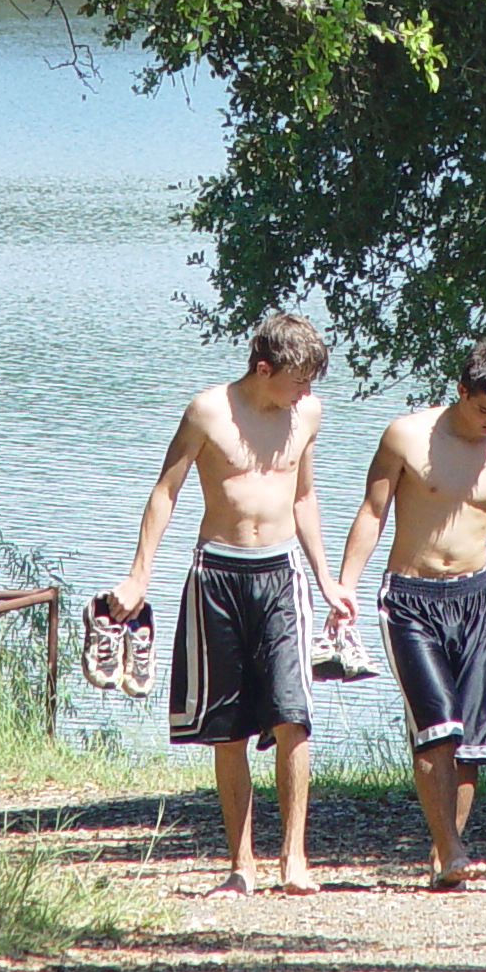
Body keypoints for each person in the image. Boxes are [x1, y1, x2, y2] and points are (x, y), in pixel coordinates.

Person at [106, 311, 355, 895]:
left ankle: (294, 860)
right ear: (263, 368)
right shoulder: (208, 411)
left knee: (293, 716)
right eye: (297, 380)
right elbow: (165, 491)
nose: (306, 393)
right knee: (226, 729)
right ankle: (240, 865)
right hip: (217, 573)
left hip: (283, 573)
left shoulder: (307, 414)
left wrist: (327, 580)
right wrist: (138, 576)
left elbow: (305, 495)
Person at [338, 339, 486, 890]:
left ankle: (443, 850)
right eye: (482, 410)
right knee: (437, 730)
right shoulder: (407, 436)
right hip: (409, 597)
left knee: (471, 742)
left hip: (476, 597)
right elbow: (373, 511)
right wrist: (346, 587)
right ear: (460, 391)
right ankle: (453, 850)